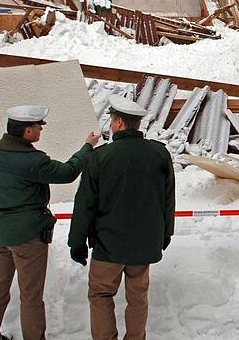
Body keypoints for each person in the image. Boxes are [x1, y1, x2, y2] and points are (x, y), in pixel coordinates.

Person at [0, 105, 101, 340]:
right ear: (27, 131)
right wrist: (87, 147)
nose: (41, 130)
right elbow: (68, 172)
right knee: (30, 295)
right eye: (38, 126)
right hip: (29, 238)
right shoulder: (33, 160)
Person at [68, 94, 176, 340]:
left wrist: (77, 241)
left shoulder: (100, 157)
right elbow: (168, 197)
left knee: (101, 295)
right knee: (138, 298)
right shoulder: (159, 154)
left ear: (117, 122)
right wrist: (166, 232)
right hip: (144, 243)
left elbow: (85, 203)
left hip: (108, 244)